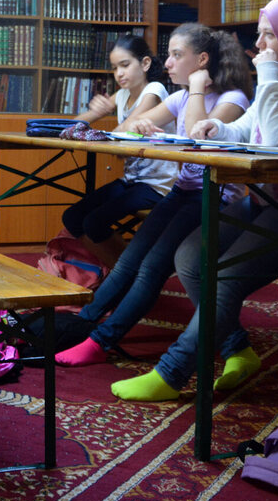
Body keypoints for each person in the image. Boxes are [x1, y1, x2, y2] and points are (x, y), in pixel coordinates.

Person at [110, 0, 278, 401]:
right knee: (190, 258)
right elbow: (247, 129)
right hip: (267, 198)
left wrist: (272, 76)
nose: (259, 46)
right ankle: (239, 350)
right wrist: (217, 130)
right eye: (260, 36)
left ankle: (172, 372)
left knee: (224, 274)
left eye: (269, 36)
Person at [55, 23, 253, 367]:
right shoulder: (177, 97)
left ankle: (100, 341)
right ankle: (84, 323)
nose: (168, 64)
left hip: (214, 196)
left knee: (150, 268)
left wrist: (195, 89)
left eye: (177, 55)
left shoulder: (232, 99)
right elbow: (125, 130)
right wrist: (141, 125)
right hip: (182, 192)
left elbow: (198, 136)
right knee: (130, 260)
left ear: (202, 60)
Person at [60, 34, 176, 268]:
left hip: (159, 185)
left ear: (144, 64)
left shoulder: (154, 90)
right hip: (133, 180)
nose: (119, 74)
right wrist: (95, 111)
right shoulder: (123, 94)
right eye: (115, 68)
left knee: (94, 221)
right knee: (72, 218)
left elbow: (127, 129)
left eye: (125, 65)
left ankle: (128, 273)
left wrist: (106, 120)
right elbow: (73, 126)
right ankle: (119, 269)